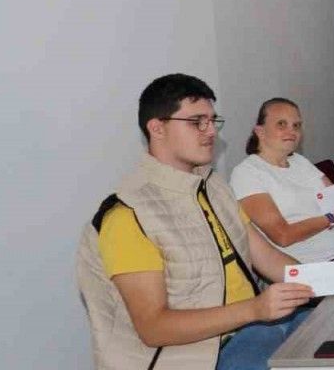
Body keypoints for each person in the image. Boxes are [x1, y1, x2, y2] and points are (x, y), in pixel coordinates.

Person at [77, 74, 315, 370]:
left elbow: (267, 258)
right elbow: (154, 328)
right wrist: (255, 309)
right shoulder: (128, 214)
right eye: (196, 122)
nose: (210, 131)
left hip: (254, 329)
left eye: (212, 121)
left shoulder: (212, 186)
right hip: (203, 354)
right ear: (157, 128)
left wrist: (331, 280)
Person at [231, 98, 334, 265]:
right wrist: (331, 218)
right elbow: (283, 235)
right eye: (281, 124)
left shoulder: (299, 161)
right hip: (315, 265)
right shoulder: (247, 173)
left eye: (296, 125)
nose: (291, 131)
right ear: (260, 131)